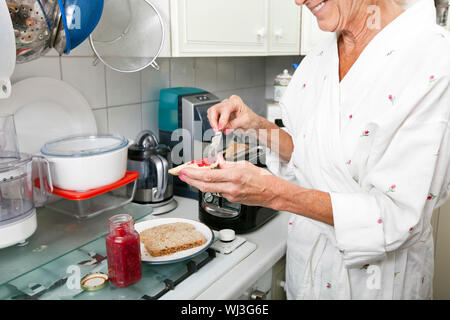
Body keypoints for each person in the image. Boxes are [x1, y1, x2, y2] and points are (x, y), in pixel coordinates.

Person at [178, 0, 450, 299]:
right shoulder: (322, 55)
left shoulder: (432, 61)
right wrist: (255, 125)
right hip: (307, 264)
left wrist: (273, 193)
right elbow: (310, 152)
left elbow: (397, 216)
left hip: (376, 282)